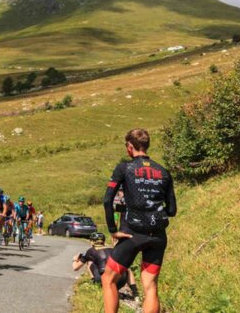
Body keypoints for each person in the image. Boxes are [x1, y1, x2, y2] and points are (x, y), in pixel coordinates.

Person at [102, 129, 177, 313]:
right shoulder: (163, 171)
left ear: (130, 146)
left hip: (132, 233)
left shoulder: (125, 168)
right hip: (158, 235)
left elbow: (107, 199)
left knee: (108, 279)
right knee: (150, 286)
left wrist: (112, 229)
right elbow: (172, 210)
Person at [73, 232, 139, 299]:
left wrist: (75, 259)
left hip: (106, 281)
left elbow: (75, 268)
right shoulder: (113, 249)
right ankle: (135, 293)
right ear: (103, 241)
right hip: (121, 281)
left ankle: (95, 283)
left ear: (92, 242)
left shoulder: (90, 251)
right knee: (127, 268)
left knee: (90, 262)